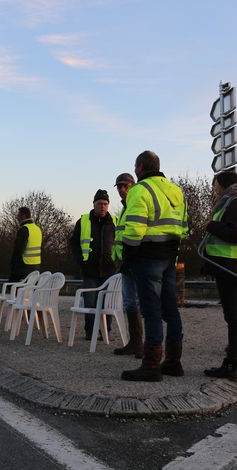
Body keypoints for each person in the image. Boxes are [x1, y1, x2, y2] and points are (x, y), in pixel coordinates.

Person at [121, 150, 188, 382]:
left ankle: (151, 365)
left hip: (147, 257)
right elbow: (184, 227)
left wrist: (128, 256)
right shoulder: (176, 191)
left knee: (151, 311)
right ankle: (173, 361)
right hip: (170, 256)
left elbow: (134, 230)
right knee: (171, 309)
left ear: (140, 167)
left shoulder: (140, 190)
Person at [203, 170, 237, 381]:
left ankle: (234, 365)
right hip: (236, 265)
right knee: (236, 317)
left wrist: (210, 225)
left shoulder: (234, 202)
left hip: (230, 266)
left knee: (233, 318)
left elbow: (236, 234)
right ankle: (236, 364)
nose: (214, 189)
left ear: (223, 184)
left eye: (215, 185)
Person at [69, 189, 116, 340]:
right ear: (94, 204)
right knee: (90, 302)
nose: (102, 206)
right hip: (89, 270)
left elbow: (121, 243)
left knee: (107, 303)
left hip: (109, 270)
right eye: (100, 203)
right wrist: (80, 261)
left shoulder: (115, 221)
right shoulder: (83, 221)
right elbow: (74, 243)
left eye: (105, 204)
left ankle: (105, 331)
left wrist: (118, 262)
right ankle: (90, 331)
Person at [111, 173, 143, 359]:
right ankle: (135, 342)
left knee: (139, 303)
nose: (122, 190)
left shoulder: (135, 204)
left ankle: (143, 346)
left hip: (136, 261)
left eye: (125, 185)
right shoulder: (124, 208)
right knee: (130, 303)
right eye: (119, 186)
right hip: (125, 263)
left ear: (133, 185)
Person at [8, 207, 42, 282]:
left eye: (18, 215)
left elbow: (19, 249)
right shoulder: (37, 229)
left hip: (23, 267)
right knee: (29, 290)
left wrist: (12, 264)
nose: (17, 217)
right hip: (36, 267)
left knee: (13, 288)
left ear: (24, 216)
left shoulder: (24, 229)